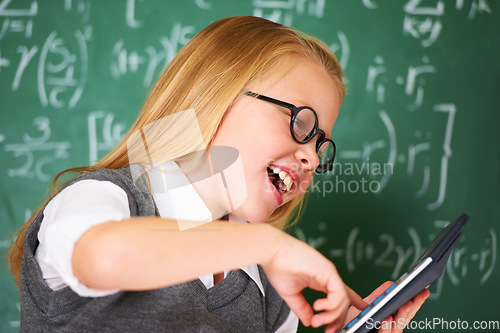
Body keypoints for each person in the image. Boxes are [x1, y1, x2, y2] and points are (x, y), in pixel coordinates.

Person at [8, 16, 429, 332]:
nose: (314, 160)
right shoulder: (106, 200)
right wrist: (268, 245)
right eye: (301, 123)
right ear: (218, 93)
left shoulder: (268, 290)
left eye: (321, 145)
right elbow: (100, 256)